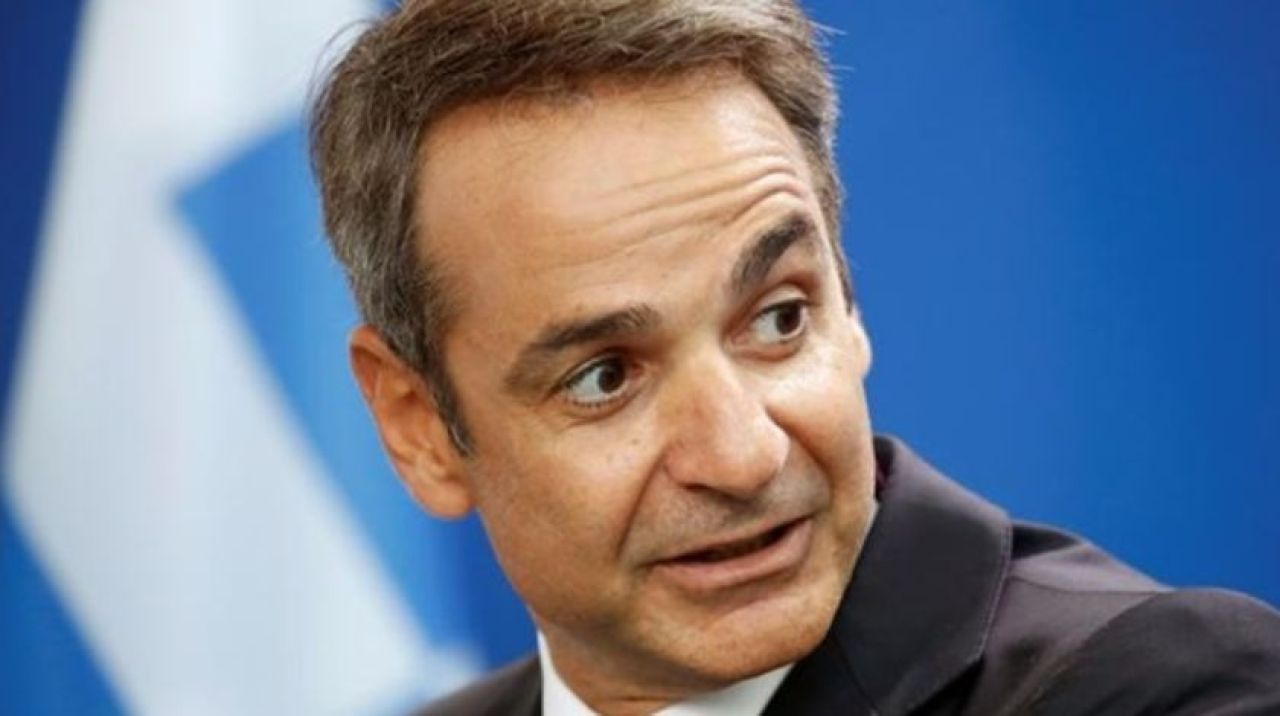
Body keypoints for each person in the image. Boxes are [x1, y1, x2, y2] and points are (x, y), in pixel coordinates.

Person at [309, 1, 1280, 713]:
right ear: (418, 426)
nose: (743, 457)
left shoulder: (1164, 687)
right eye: (605, 377)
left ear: (846, 298)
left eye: (777, 319)